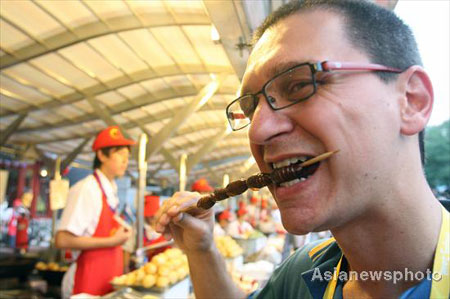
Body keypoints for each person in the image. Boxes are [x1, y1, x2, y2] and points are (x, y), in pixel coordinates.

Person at [154, 1, 449, 298]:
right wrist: (202, 249)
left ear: (412, 101)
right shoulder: (305, 274)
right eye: (250, 106)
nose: (258, 131)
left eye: (298, 85)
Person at [55, 126, 134, 297]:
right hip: (86, 282)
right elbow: (62, 239)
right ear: (101, 155)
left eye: (127, 157)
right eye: (120, 154)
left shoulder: (110, 189)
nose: (125, 161)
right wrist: (112, 241)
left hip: (106, 281)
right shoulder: (87, 189)